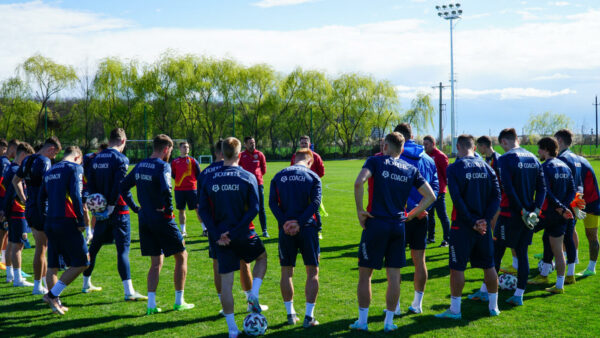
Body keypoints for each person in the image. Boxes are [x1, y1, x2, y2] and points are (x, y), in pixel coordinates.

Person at [351, 132, 435, 332]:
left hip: (376, 224)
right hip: (398, 226)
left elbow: (358, 182)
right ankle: (389, 322)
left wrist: (360, 211)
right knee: (394, 276)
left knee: (365, 275)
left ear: (386, 146)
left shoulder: (375, 162)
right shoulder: (410, 168)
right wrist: (412, 215)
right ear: (402, 149)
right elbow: (430, 196)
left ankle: (362, 322)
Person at [198, 137, 268, 338]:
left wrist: (217, 233)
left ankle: (232, 330)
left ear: (221, 153)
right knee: (262, 258)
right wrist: (236, 231)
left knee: (226, 283)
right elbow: (255, 208)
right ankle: (253, 293)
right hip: (243, 234)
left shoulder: (210, 178)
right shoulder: (247, 176)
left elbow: (202, 209)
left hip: (221, 238)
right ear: (239, 154)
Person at [121, 134, 194, 315]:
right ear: (166, 149)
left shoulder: (140, 165)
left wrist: (136, 208)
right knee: (182, 256)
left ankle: (151, 305)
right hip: (161, 218)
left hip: (145, 218)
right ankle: (179, 301)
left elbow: (122, 187)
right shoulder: (163, 166)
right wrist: (169, 211)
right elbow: (166, 190)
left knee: (156, 262)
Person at [435, 135, 501, 319]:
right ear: (473, 146)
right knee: (489, 265)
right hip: (483, 228)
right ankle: (493, 307)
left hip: (462, 227)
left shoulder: (454, 168)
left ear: (458, 147)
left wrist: (473, 222)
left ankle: (455, 310)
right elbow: (497, 197)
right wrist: (485, 221)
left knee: (457, 268)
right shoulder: (488, 167)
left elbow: (457, 199)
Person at [83, 128, 146, 301]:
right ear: (123, 141)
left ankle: (85, 283)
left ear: (109, 140)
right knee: (122, 251)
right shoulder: (120, 158)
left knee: (94, 248)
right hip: (118, 211)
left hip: (101, 212)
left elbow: (90, 183)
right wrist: (111, 205)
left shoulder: (95, 159)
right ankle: (129, 291)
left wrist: (98, 204)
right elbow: (120, 185)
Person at [493, 128, 545, 306]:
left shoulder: (506, 159)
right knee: (522, 253)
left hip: (510, 214)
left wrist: (522, 210)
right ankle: (519, 295)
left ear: (504, 142)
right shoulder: (534, 158)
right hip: (529, 216)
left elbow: (508, 188)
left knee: (497, 252)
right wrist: (536, 210)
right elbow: (542, 188)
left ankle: (487, 292)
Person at [271, 148, 322, 327]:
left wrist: (286, 222)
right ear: (310, 161)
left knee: (286, 271)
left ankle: (290, 314)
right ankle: (309, 317)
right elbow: (315, 203)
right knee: (312, 272)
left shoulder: (278, 176)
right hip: (308, 228)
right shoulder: (313, 177)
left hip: (285, 231)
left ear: (294, 160)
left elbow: (271, 203)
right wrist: (299, 222)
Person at [394, 123, 439, 315]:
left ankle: (394, 306)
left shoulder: (396, 157)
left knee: (395, 263)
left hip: (400, 217)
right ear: (413, 136)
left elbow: (393, 188)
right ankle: (417, 303)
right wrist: (421, 208)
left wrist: (410, 209)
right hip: (422, 216)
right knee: (420, 261)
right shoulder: (428, 159)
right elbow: (435, 188)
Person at [38, 146, 88, 315]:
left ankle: (55, 304)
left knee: (52, 265)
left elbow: (40, 198)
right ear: (77, 157)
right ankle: (52, 295)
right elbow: (76, 194)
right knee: (83, 262)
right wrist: (81, 220)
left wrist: (46, 216)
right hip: (67, 221)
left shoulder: (50, 170)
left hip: (50, 222)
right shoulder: (75, 168)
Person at [13, 136, 61, 295]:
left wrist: (24, 198)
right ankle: (38, 286)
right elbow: (46, 187)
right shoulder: (44, 161)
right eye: (54, 156)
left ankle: (42, 286)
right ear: (51, 149)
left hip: (31, 208)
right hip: (42, 209)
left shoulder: (27, 160)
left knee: (42, 247)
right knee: (42, 247)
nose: (53, 159)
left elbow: (15, 180)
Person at [527, 137, 574, 294]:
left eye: (539, 149)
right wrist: (564, 208)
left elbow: (546, 192)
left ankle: (517, 271)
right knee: (556, 248)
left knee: (520, 236)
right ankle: (557, 284)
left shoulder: (545, 167)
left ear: (546, 149)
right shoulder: (565, 167)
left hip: (546, 214)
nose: (538, 152)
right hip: (560, 216)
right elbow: (572, 191)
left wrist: (560, 207)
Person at [476, 136, 520, 276]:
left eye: (479, 146)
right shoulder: (486, 160)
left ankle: (515, 263)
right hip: (491, 201)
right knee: (495, 233)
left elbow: (504, 182)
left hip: (501, 202)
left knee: (503, 234)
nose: (477, 149)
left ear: (484, 146)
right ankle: (493, 259)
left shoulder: (499, 159)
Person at [1, 142, 34, 286]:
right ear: (23, 155)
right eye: (28, 158)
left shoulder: (9, 168)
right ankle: (18, 278)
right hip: (18, 211)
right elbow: (13, 192)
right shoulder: (16, 170)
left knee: (11, 243)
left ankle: (10, 275)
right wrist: (25, 201)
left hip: (11, 211)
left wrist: (4, 210)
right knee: (18, 245)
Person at [554, 129, 583, 284]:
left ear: (559, 140)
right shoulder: (576, 157)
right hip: (575, 201)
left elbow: (563, 184)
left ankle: (562, 273)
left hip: (565, 204)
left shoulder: (563, 158)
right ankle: (570, 271)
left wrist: (561, 205)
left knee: (560, 238)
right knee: (570, 235)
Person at [291, 135, 326, 239]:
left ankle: (318, 229)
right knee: (299, 207)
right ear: (299, 144)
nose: (304, 145)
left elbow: (322, 172)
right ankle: (300, 227)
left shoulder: (316, 156)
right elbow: (291, 169)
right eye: (302, 143)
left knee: (315, 208)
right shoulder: (295, 156)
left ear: (309, 144)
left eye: (305, 143)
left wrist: (312, 180)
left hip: (312, 187)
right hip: (298, 187)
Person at [423, 135, 450, 247]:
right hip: (428, 192)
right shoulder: (424, 156)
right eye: (423, 144)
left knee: (442, 215)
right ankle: (431, 237)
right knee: (429, 216)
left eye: (427, 144)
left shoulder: (440, 156)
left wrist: (443, 188)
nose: (425, 146)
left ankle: (447, 239)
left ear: (433, 144)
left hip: (439, 191)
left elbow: (446, 174)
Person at [171, 141, 202, 237]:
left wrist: (192, 182)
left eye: (187, 147)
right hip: (179, 190)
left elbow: (198, 174)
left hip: (192, 189)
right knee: (181, 210)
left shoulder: (193, 160)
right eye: (184, 147)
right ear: (179, 149)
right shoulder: (174, 162)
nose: (186, 149)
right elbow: (173, 175)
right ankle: (183, 231)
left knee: (198, 209)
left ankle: (205, 229)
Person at [239, 136, 269, 238]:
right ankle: (246, 228)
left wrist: (257, 177)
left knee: (261, 208)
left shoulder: (260, 154)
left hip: (258, 184)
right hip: (245, 185)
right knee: (246, 208)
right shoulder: (241, 156)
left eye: (254, 142)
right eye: (250, 143)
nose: (253, 144)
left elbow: (263, 170)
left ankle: (264, 230)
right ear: (245, 144)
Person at [577, 155, 600, 277]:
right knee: (567, 230)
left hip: (591, 202)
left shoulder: (577, 161)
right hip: (581, 201)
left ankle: (591, 268)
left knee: (592, 235)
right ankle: (571, 258)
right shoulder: (579, 160)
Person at [82, 143, 108, 245]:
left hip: (97, 186)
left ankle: (92, 233)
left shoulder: (106, 159)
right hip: (85, 185)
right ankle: (88, 232)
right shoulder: (88, 157)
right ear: (99, 150)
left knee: (96, 209)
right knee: (84, 208)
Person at [0, 138, 11, 271]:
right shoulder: (4, 162)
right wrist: (3, 207)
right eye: (3, 148)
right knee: (3, 231)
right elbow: (2, 185)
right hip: (2, 203)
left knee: (5, 232)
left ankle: (4, 259)